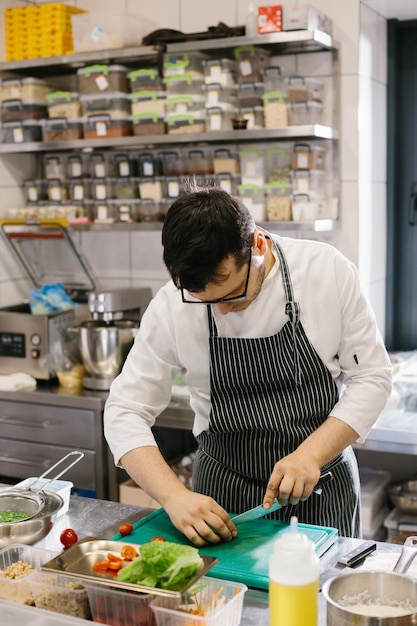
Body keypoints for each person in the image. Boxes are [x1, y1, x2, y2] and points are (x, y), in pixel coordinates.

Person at [104, 186, 392, 546]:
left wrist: (310, 455)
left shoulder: (326, 271)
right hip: (223, 497)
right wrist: (172, 496)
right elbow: (125, 410)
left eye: (231, 293)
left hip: (319, 489)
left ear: (258, 245)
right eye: (204, 301)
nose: (222, 310)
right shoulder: (170, 306)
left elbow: (373, 378)